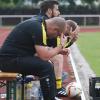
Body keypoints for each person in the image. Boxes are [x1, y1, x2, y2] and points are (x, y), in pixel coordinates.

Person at [0, 17, 67, 100]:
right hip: (9, 61)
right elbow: (44, 56)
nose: (55, 37)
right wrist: (60, 46)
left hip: (12, 59)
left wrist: (58, 51)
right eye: (57, 35)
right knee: (46, 67)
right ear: (55, 29)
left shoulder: (39, 24)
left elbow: (41, 53)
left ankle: (50, 96)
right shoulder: (38, 28)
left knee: (46, 65)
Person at [39, 0, 80, 97]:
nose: (59, 13)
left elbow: (54, 45)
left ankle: (54, 88)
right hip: (24, 55)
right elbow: (56, 46)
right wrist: (68, 40)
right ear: (49, 10)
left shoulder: (45, 21)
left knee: (57, 59)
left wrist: (71, 41)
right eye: (57, 10)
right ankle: (56, 88)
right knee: (57, 58)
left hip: (29, 52)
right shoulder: (44, 22)